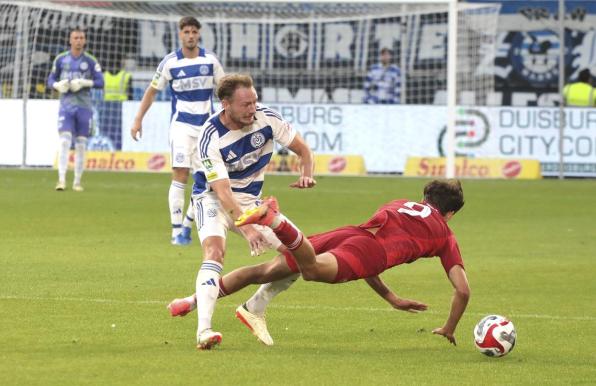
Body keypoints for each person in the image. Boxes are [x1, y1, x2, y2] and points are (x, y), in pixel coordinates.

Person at [169, 179, 469, 347]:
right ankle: (275, 220)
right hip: (368, 251)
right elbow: (463, 291)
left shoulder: (401, 203)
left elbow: (367, 253)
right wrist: (449, 327)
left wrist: (391, 297)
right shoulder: (444, 235)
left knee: (264, 271)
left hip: (349, 234)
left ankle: (194, 299)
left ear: (425, 196)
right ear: (451, 213)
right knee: (310, 270)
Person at [189, 73, 315, 349]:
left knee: (302, 254)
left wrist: (307, 174)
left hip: (251, 202)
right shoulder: (210, 136)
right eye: (245, 104)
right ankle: (204, 331)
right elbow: (222, 192)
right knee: (214, 252)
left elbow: (303, 149)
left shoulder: (266, 118)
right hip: (211, 199)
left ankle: (255, 306)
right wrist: (246, 228)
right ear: (226, 104)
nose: (252, 109)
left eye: (254, 101)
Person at [130, 16, 224, 245]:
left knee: (206, 181)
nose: (190, 35)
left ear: (198, 34)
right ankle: (175, 232)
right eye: (186, 32)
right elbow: (151, 91)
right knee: (180, 174)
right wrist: (138, 119)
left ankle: (186, 225)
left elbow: (224, 92)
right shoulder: (170, 62)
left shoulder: (210, 60)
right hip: (181, 126)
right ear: (180, 34)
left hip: (206, 129)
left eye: (194, 31)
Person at [48, 28, 104, 192]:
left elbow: (101, 82)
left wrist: (84, 83)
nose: (79, 40)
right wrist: (57, 85)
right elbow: (51, 78)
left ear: (84, 41)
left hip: (84, 107)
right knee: (64, 141)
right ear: (70, 40)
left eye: (81, 38)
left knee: (81, 145)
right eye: (76, 38)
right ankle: (61, 180)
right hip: (66, 106)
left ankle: (77, 182)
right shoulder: (60, 59)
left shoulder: (91, 60)